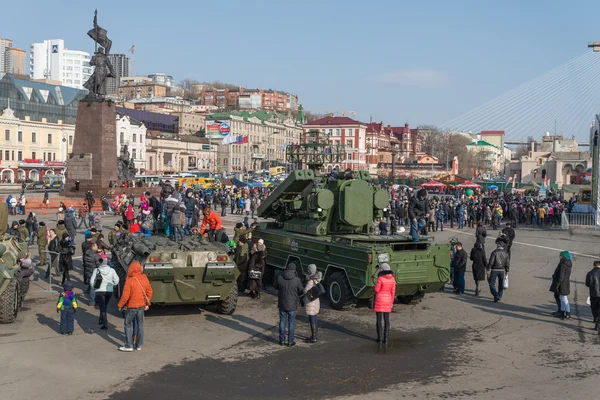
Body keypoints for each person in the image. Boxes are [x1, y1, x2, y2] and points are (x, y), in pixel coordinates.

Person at [117, 261, 153, 352]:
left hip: (132, 306)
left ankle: (129, 345)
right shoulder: (144, 278)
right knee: (140, 325)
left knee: (127, 324)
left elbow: (125, 296)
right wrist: (147, 303)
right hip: (141, 305)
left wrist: (120, 305)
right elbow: (149, 292)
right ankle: (139, 345)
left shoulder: (130, 280)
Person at [274, 262, 304, 347]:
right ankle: (290, 341)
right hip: (292, 304)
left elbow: (275, 286)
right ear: (294, 270)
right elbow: (301, 290)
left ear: (287, 268)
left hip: (282, 303)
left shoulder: (280, 277)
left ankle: (281, 340)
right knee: (291, 322)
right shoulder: (297, 280)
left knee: (282, 321)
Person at [89, 258, 120, 330]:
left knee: (102, 306)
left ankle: (105, 323)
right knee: (104, 305)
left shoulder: (96, 270)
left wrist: (95, 287)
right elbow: (117, 280)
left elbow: (91, 282)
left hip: (99, 291)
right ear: (107, 263)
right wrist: (112, 285)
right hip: (109, 291)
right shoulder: (112, 270)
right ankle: (101, 318)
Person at [374, 263, 395, 344]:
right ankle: (386, 339)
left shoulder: (380, 278)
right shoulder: (393, 279)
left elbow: (376, 290)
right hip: (388, 300)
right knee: (387, 320)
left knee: (379, 320)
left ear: (382, 270)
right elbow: (393, 292)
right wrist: (391, 302)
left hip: (380, 300)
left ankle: (379, 338)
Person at [550, 251, 572, 320]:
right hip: (565, 282)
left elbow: (561, 276)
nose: (559, 256)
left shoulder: (563, 264)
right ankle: (562, 312)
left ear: (563, 256)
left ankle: (568, 313)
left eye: (560, 255)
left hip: (562, 283)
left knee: (564, 299)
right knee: (561, 298)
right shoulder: (568, 262)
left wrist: (557, 284)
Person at [486, 238, 510, 302]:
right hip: (502, 270)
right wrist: (507, 271)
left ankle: (496, 295)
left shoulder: (494, 252)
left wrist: (488, 269)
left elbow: (491, 262)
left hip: (494, 270)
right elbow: (507, 263)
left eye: (497, 244)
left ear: (499, 245)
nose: (496, 245)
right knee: (500, 283)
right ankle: (499, 295)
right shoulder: (506, 253)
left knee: (491, 283)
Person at [303, 264, 322, 343]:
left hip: (311, 302)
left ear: (310, 270)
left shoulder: (311, 281)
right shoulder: (317, 278)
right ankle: (315, 335)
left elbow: (305, 291)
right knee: (315, 318)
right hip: (316, 300)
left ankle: (313, 337)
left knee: (312, 319)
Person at [585, 260, 600, 333]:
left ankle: (596, 319)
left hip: (594, 294)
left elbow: (587, 284)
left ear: (594, 265)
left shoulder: (590, 273)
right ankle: (598, 324)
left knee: (594, 308)